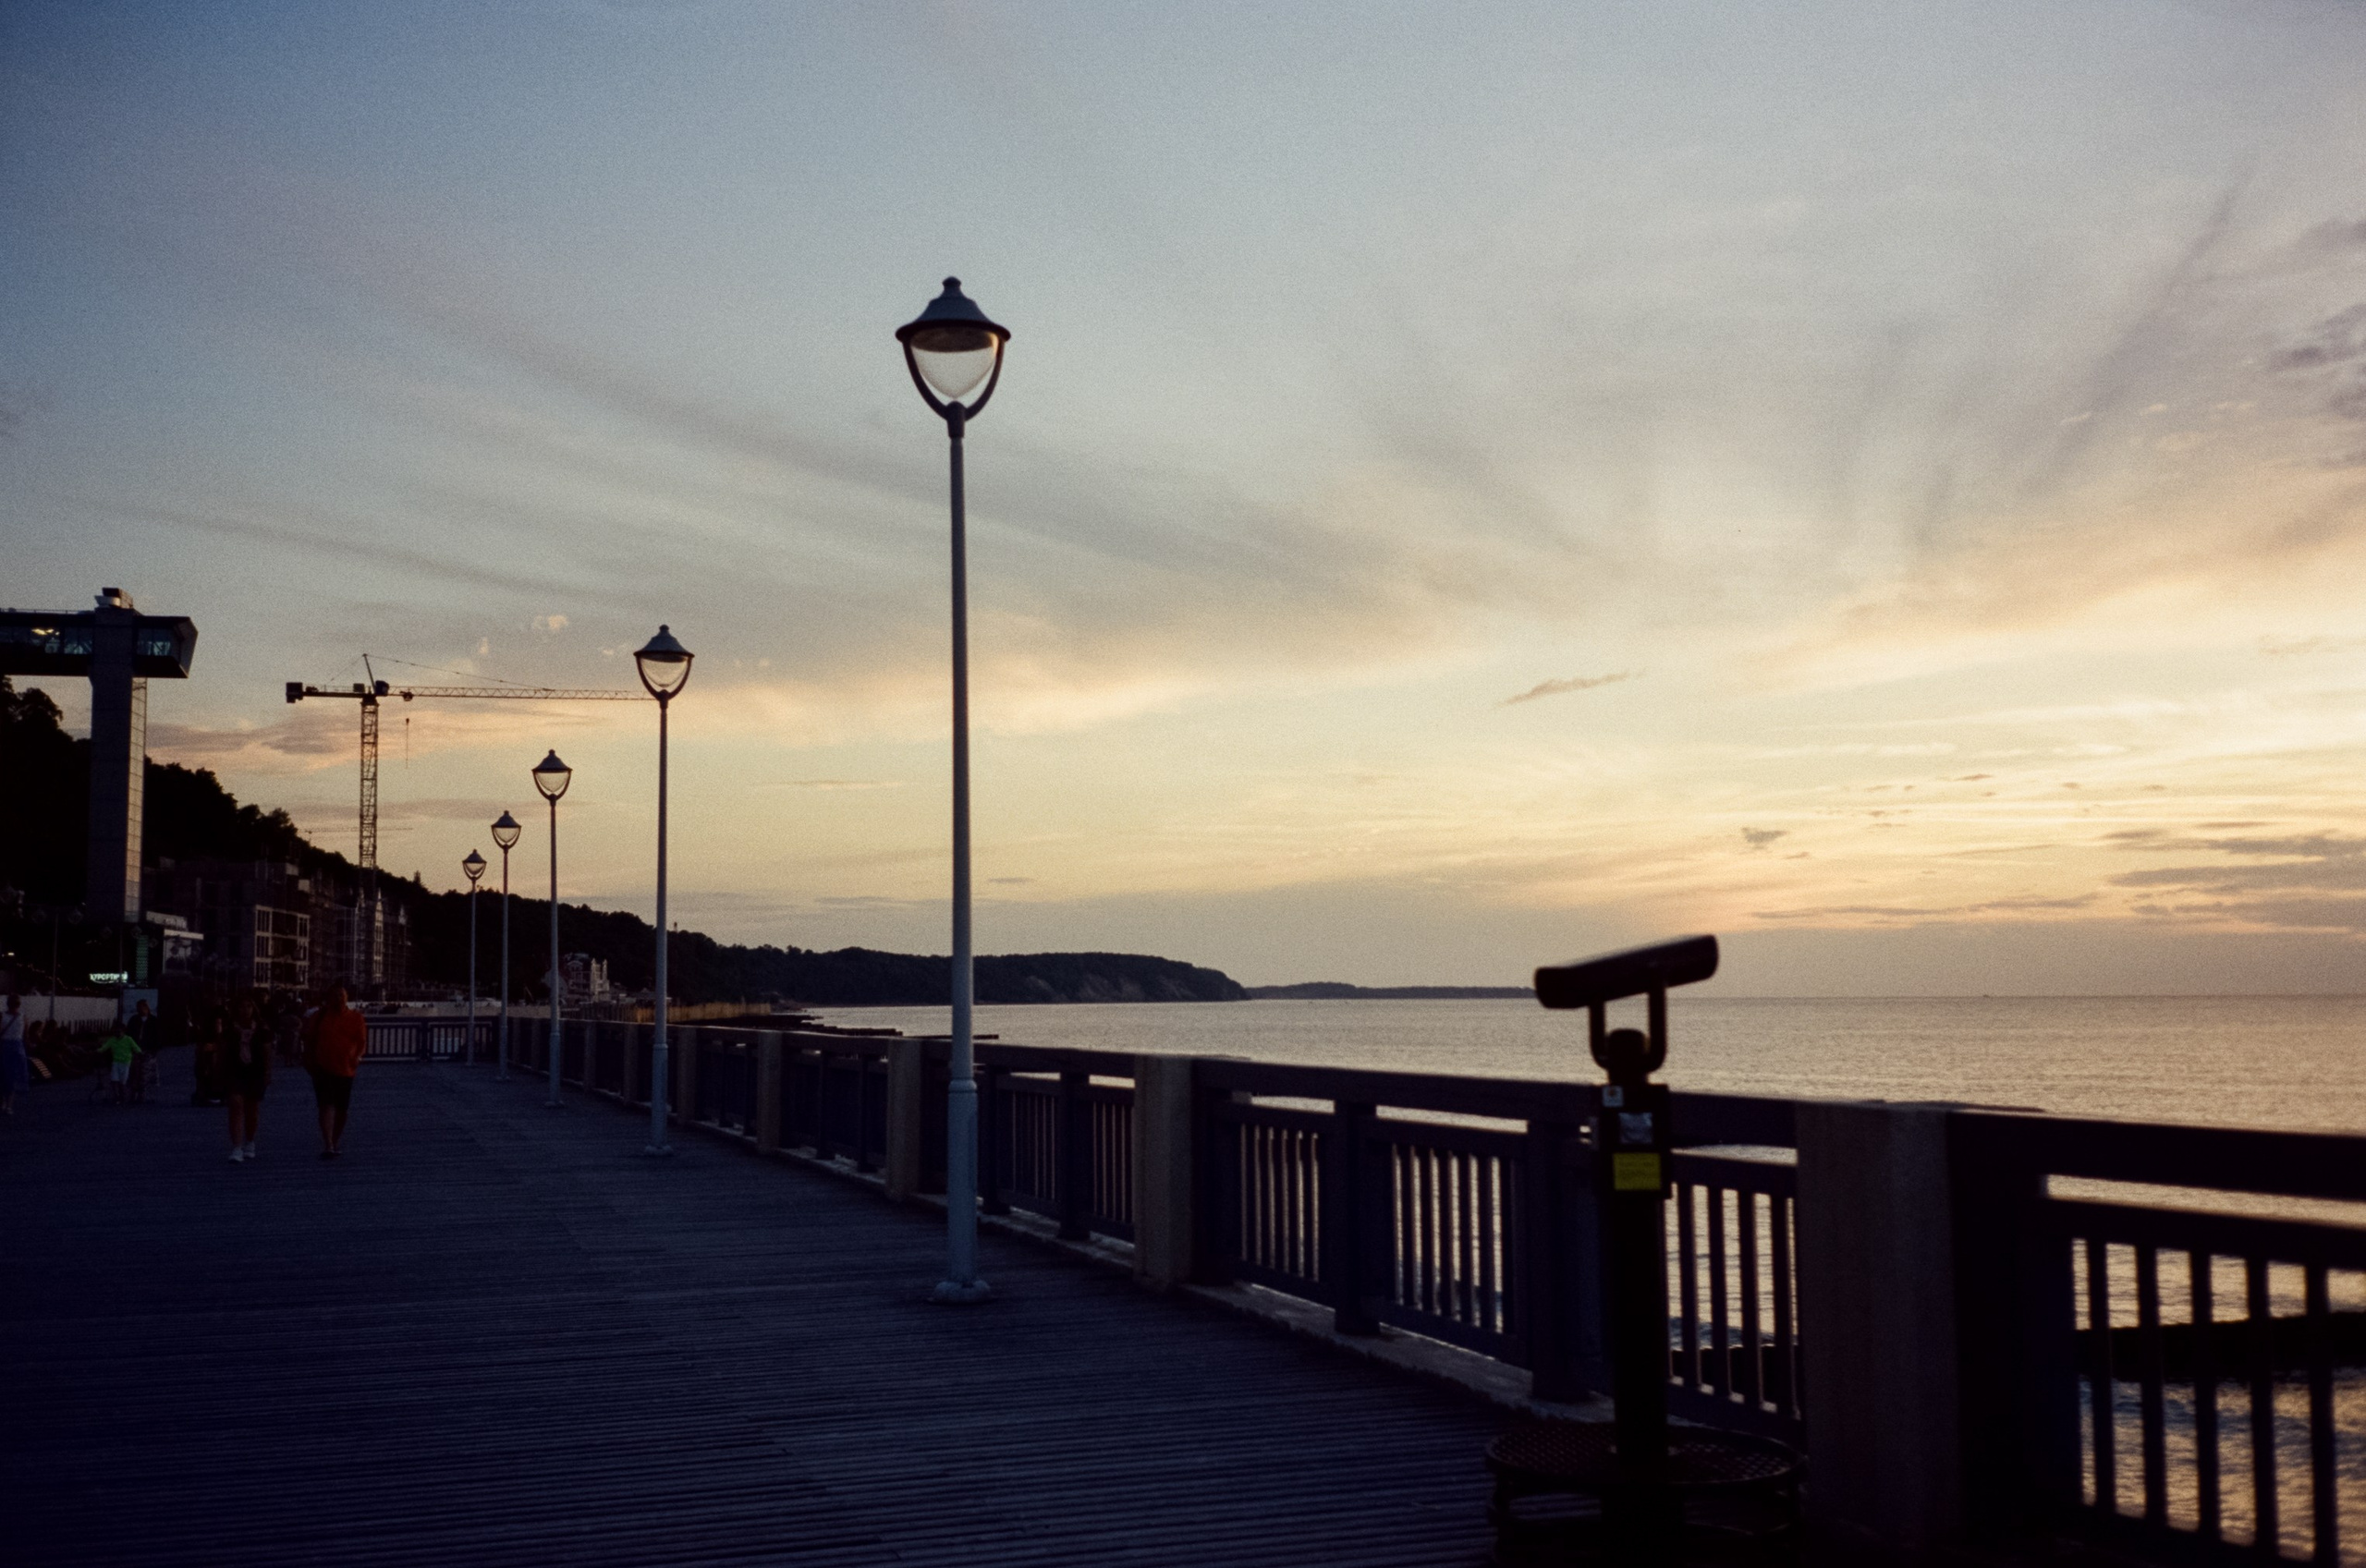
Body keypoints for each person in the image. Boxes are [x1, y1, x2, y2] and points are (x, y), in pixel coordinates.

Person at [307, 984, 367, 1159]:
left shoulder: (356, 1018)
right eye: (335, 995)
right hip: (322, 1067)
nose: (339, 998)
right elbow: (309, 1040)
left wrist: (357, 1057)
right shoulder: (319, 1017)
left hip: (346, 1068)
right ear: (329, 998)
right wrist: (309, 1062)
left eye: (342, 995)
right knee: (326, 1105)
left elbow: (362, 1042)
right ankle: (328, 1144)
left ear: (347, 998)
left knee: (342, 1109)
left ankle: (335, 1139)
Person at [221, 996, 271, 1162]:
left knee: (252, 1109)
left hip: (255, 1071)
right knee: (235, 1105)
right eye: (242, 1007)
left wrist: (268, 1072)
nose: (245, 1010)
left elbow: (267, 1051)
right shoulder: (229, 1030)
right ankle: (236, 1147)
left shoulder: (261, 1030)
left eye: (249, 1006)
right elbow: (223, 1050)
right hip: (234, 1070)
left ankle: (250, 1141)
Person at [99, 1021, 141, 1104]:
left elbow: (136, 1047)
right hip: (116, 1062)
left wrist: (139, 1052)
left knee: (123, 1081)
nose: (117, 1034)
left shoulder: (128, 1040)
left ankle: (123, 1096)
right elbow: (104, 1047)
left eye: (119, 1032)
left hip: (126, 1063)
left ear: (123, 1032)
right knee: (114, 1080)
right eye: (115, 1032)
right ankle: (117, 1096)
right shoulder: (112, 1040)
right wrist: (98, 1051)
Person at [2, 994, 27, 1116]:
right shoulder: (23, 1017)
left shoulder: (2, 1016)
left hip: (4, 1047)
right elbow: (24, 1036)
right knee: (13, 1077)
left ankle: (2, 1101)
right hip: (17, 1048)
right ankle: (9, 1105)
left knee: (3, 1075)